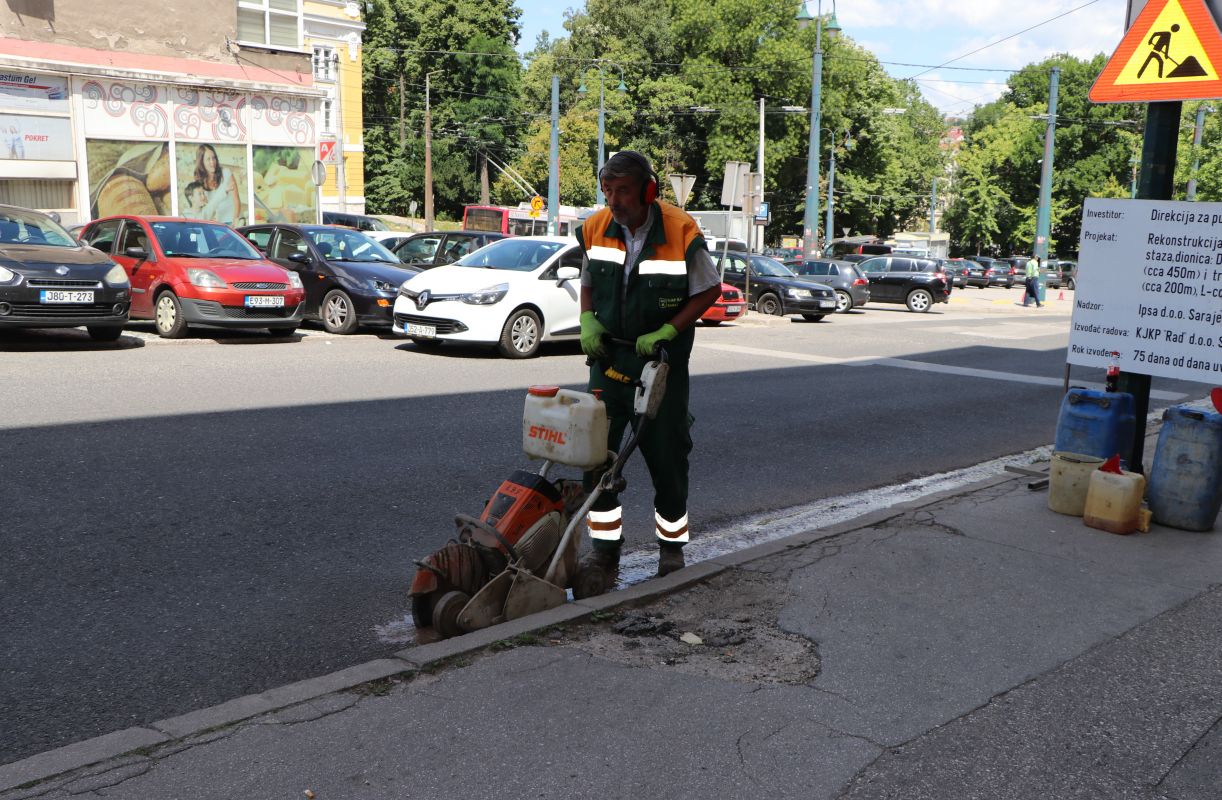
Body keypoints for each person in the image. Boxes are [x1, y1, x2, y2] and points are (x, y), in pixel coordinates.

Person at [572, 150, 721, 598]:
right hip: (609, 358)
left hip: (660, 363)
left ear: (648, 191)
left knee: (667, 457)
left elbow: (709, 287)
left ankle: (671, 549)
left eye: (622, 191)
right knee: (596, 460)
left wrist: (669, 328)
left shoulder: (680, 230)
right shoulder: (597, 227)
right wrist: (587, 320)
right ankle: (604, 552)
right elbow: (588, 281)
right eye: (607, 191)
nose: (613, 201)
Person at [194, 144, 242, 225]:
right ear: (201, 162)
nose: (212, 162)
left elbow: (236, 201)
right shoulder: (199, 182)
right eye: (208, 159)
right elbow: (203, 209)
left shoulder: (226, 173)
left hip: (231, 221)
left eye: (214, 158)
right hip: (214, 225)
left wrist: (234, 224)